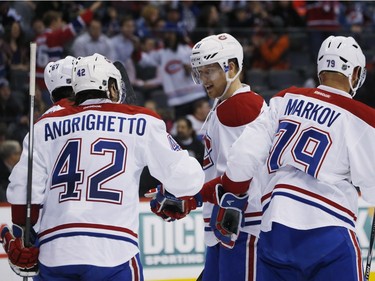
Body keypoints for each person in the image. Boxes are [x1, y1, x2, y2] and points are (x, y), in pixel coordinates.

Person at [1, 53, 205, 280]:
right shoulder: (142, 120)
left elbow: (23, 191)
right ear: (112, 86)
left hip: (55, 252)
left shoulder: (43, 126)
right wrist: (169, 192)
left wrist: (21, 235)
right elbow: (188, 179)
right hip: (113, 250)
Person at [221, 35, 371, 280]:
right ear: (355, 73)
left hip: (274, 230)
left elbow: (242, 156)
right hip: (329, 231)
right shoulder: (363, 118)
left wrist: (232, 193)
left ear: (321, 70)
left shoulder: (286, 98)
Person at [188, 33, 266, 281]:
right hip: (226, 224)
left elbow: (238, 176)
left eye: (208, 71)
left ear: (230, 67)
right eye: (200, 73)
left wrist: (191, 196)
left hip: (241, 225)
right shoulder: (225, 104)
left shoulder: (239, 107)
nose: (203, 80)